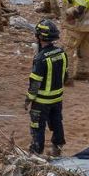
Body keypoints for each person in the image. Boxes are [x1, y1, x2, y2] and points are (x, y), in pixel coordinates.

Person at [27, 19, 69, 158]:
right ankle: (57, 148)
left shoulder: (40, 59)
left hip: (41, 101)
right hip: (57, 98)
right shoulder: (62, 53)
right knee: (56, 122)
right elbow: (66, 76)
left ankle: (36, 153)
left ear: (39, 37)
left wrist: (29, 99)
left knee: (37, 126)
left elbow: (35, 83)